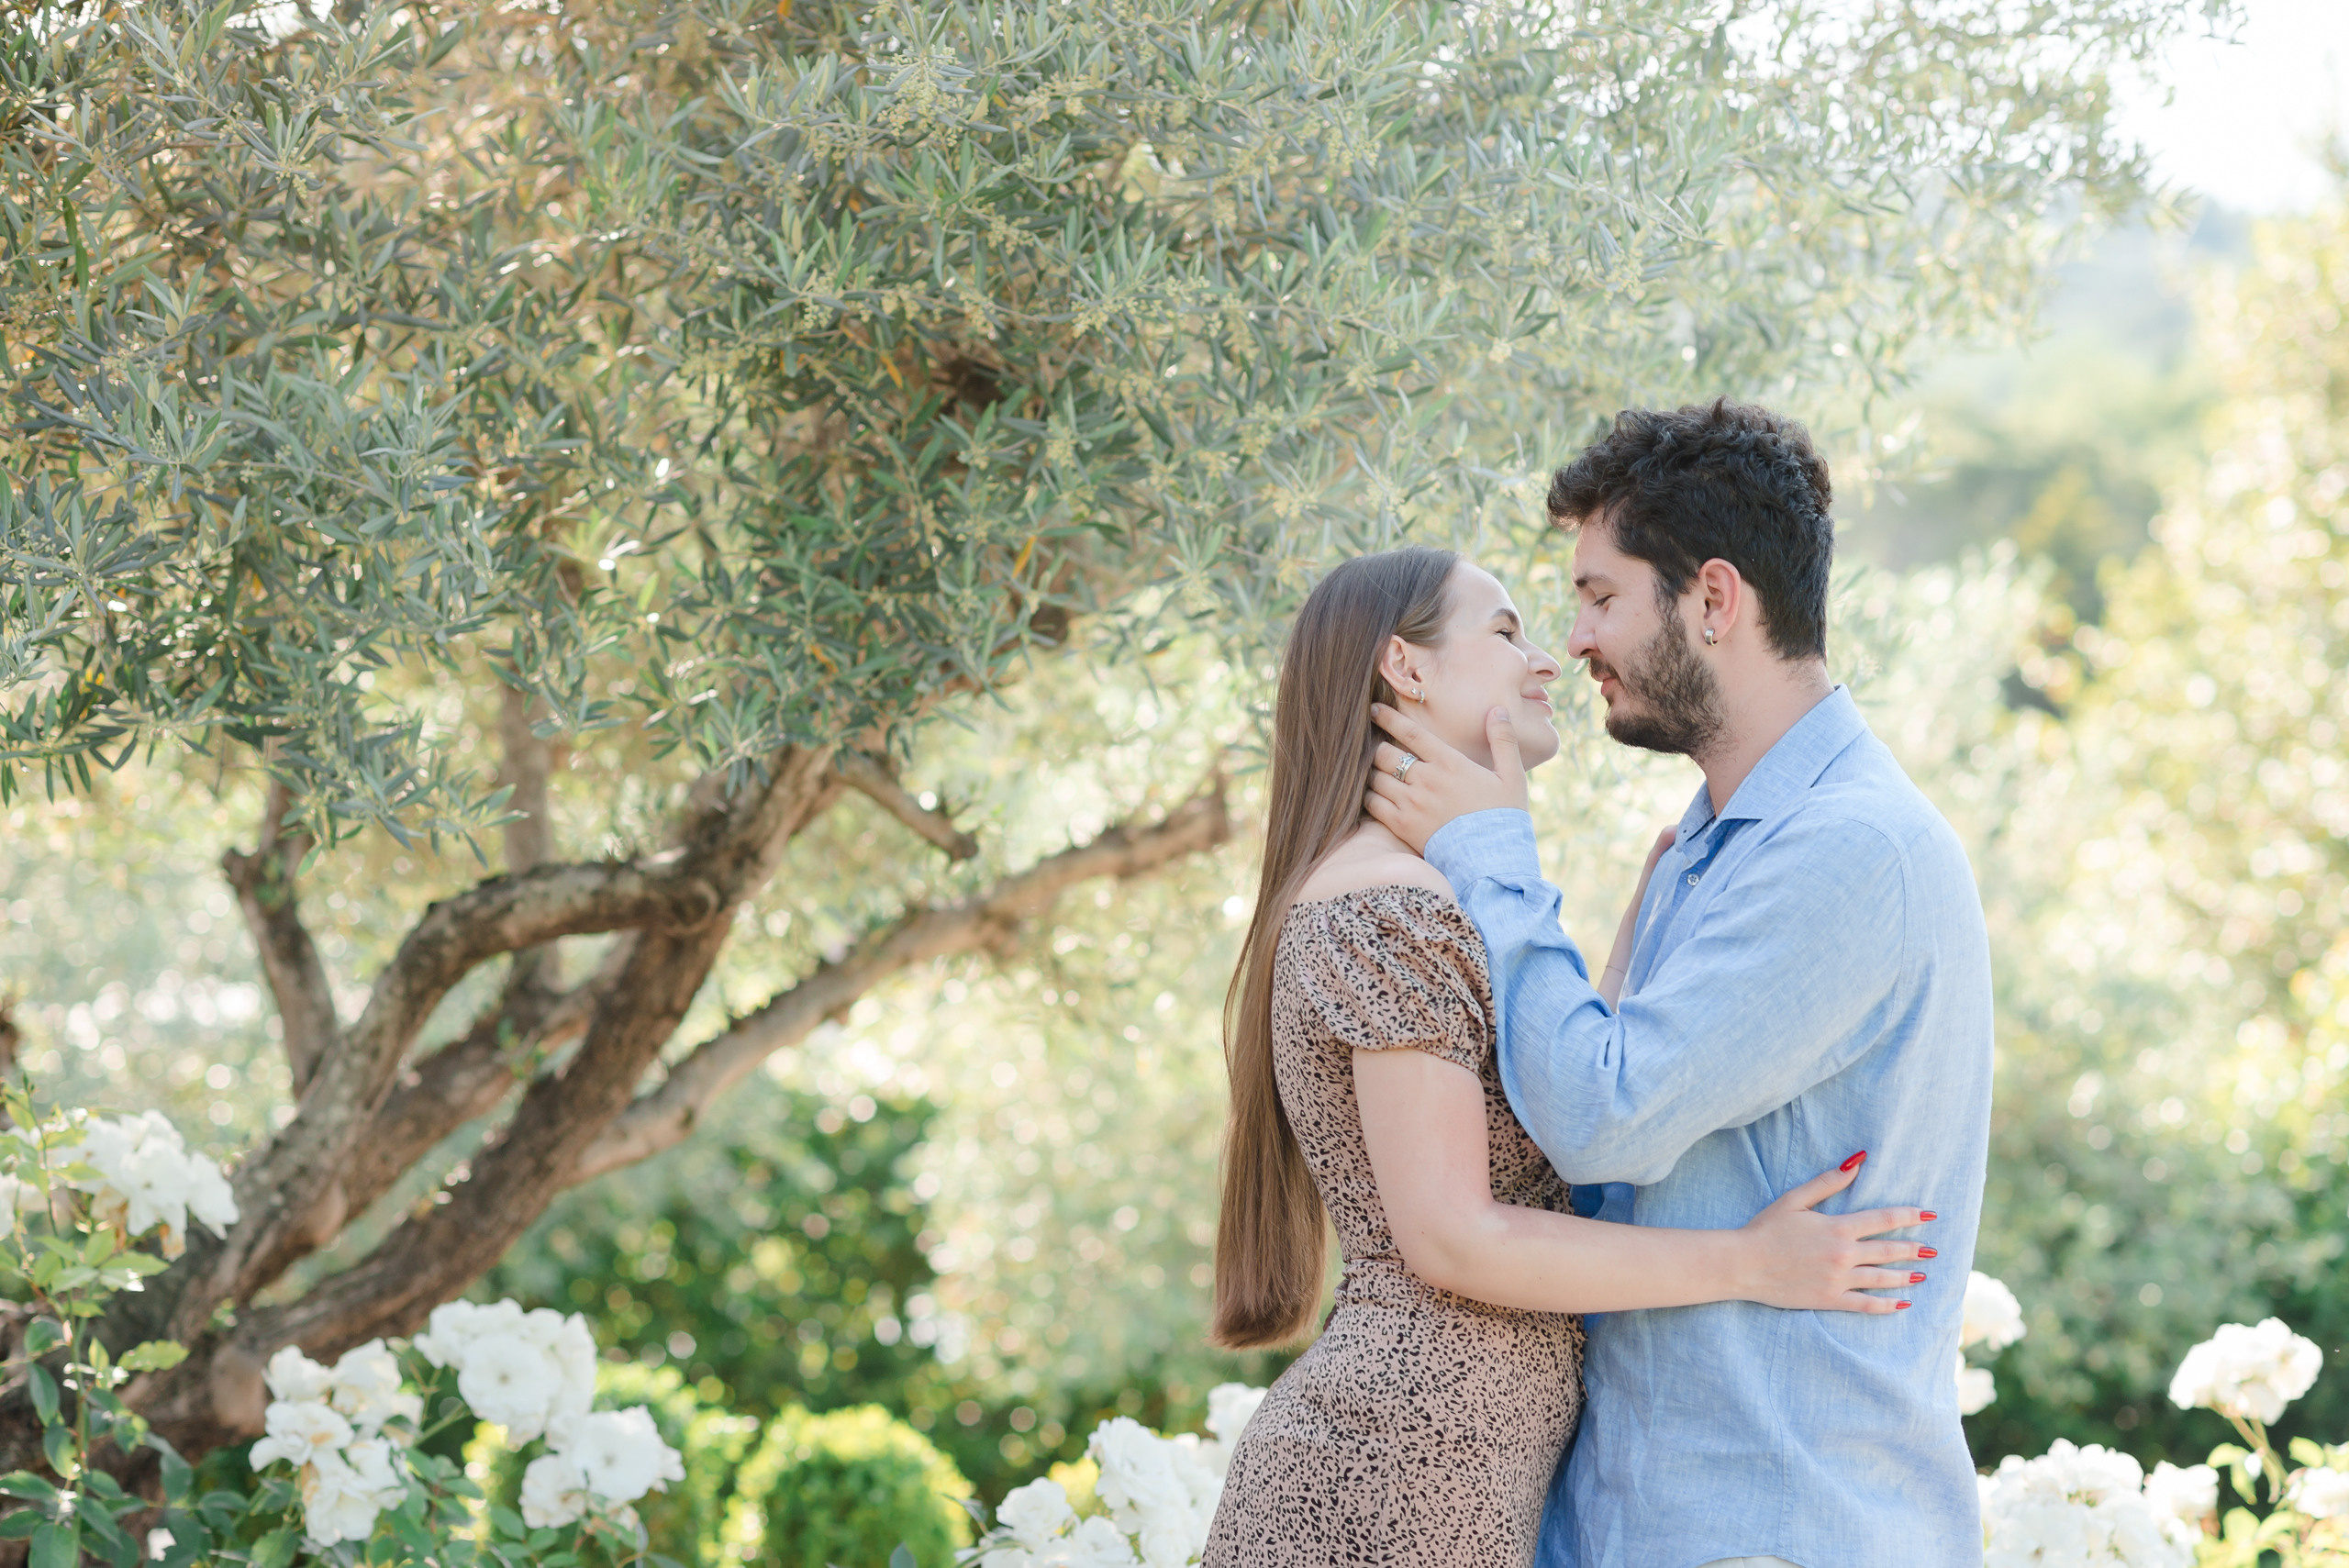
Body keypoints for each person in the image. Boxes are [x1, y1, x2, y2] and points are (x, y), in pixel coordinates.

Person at [1202, 545, 1940, 1568]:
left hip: (1437, 1468)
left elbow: (1552, 1118)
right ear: (1404, 668)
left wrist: (1645, 922)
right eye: (1505, 631)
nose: (1547, 658)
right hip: (1389, 1484)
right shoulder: (1389, 907)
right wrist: (1750, 1262)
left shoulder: (1414, 894)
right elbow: (1456, 1237)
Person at [1363, 402, 1995, 1568]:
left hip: (1776, 1528)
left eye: (1600, 596)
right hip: (1645, 1521)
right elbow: (1613, 1177)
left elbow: (1606, 1117)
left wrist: (1492, 849)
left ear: (1713, 599)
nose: (1574, 640)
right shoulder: (1712, 844)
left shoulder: (1849, 849)